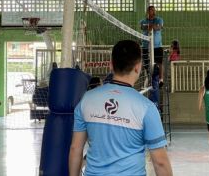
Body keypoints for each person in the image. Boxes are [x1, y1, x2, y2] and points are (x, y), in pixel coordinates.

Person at [69, 40, 172, 176]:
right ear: (138, 67)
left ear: (111, 65)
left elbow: (76, 149)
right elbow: (160, 162)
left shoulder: (86, 99)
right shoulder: (147, 108)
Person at [140, 5, 164, 87]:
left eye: (154, 10)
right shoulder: (143, 21)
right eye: (151, 10)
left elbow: (159, 27)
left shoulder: (159, 19)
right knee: (146, 63)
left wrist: (151, 26)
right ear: (148, 12)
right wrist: (150, 26)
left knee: (159, 63)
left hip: (157, 46)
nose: (153, 12)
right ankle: (149, 77)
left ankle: (161, 80)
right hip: (146, 45)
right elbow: (142, 27)